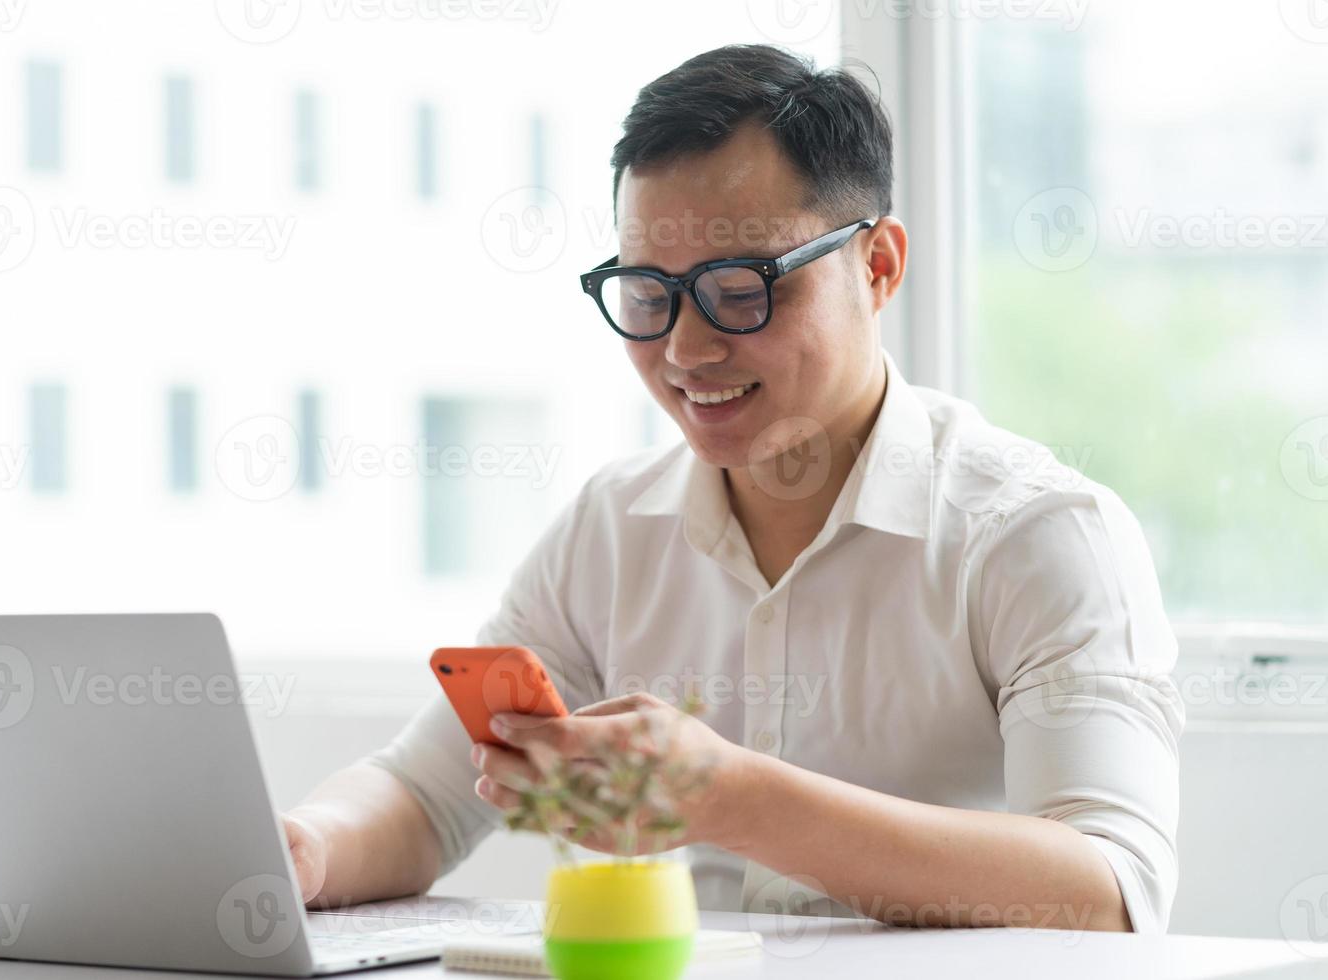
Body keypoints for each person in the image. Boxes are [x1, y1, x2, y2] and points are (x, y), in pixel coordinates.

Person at [282, 44, 1183, 933]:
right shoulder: (611, 529)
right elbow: (422, 797)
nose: (686, 350)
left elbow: (1107, 891)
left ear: (879, 267)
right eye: (648, 293)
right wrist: (304, 850)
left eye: (742, 288)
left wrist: (736, 799)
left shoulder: (1036, 533)